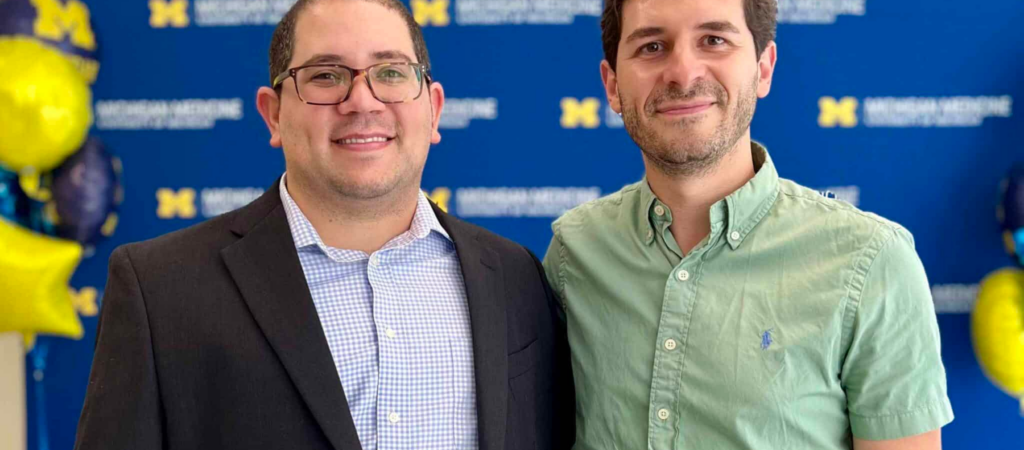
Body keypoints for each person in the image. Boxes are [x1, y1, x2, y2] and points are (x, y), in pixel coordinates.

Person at [74, 1, 573, 449]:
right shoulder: (160, 288)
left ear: (434, 108)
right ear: (273, 116)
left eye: (391, 72)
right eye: (326, 76)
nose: (361, 100)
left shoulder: (514, 276)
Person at [542, 0, 952, 448]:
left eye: (714, 40)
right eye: (652, 46)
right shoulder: (572, 254)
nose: (682, 72)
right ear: (612, 85)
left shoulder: (873, 263)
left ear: (764, 67)